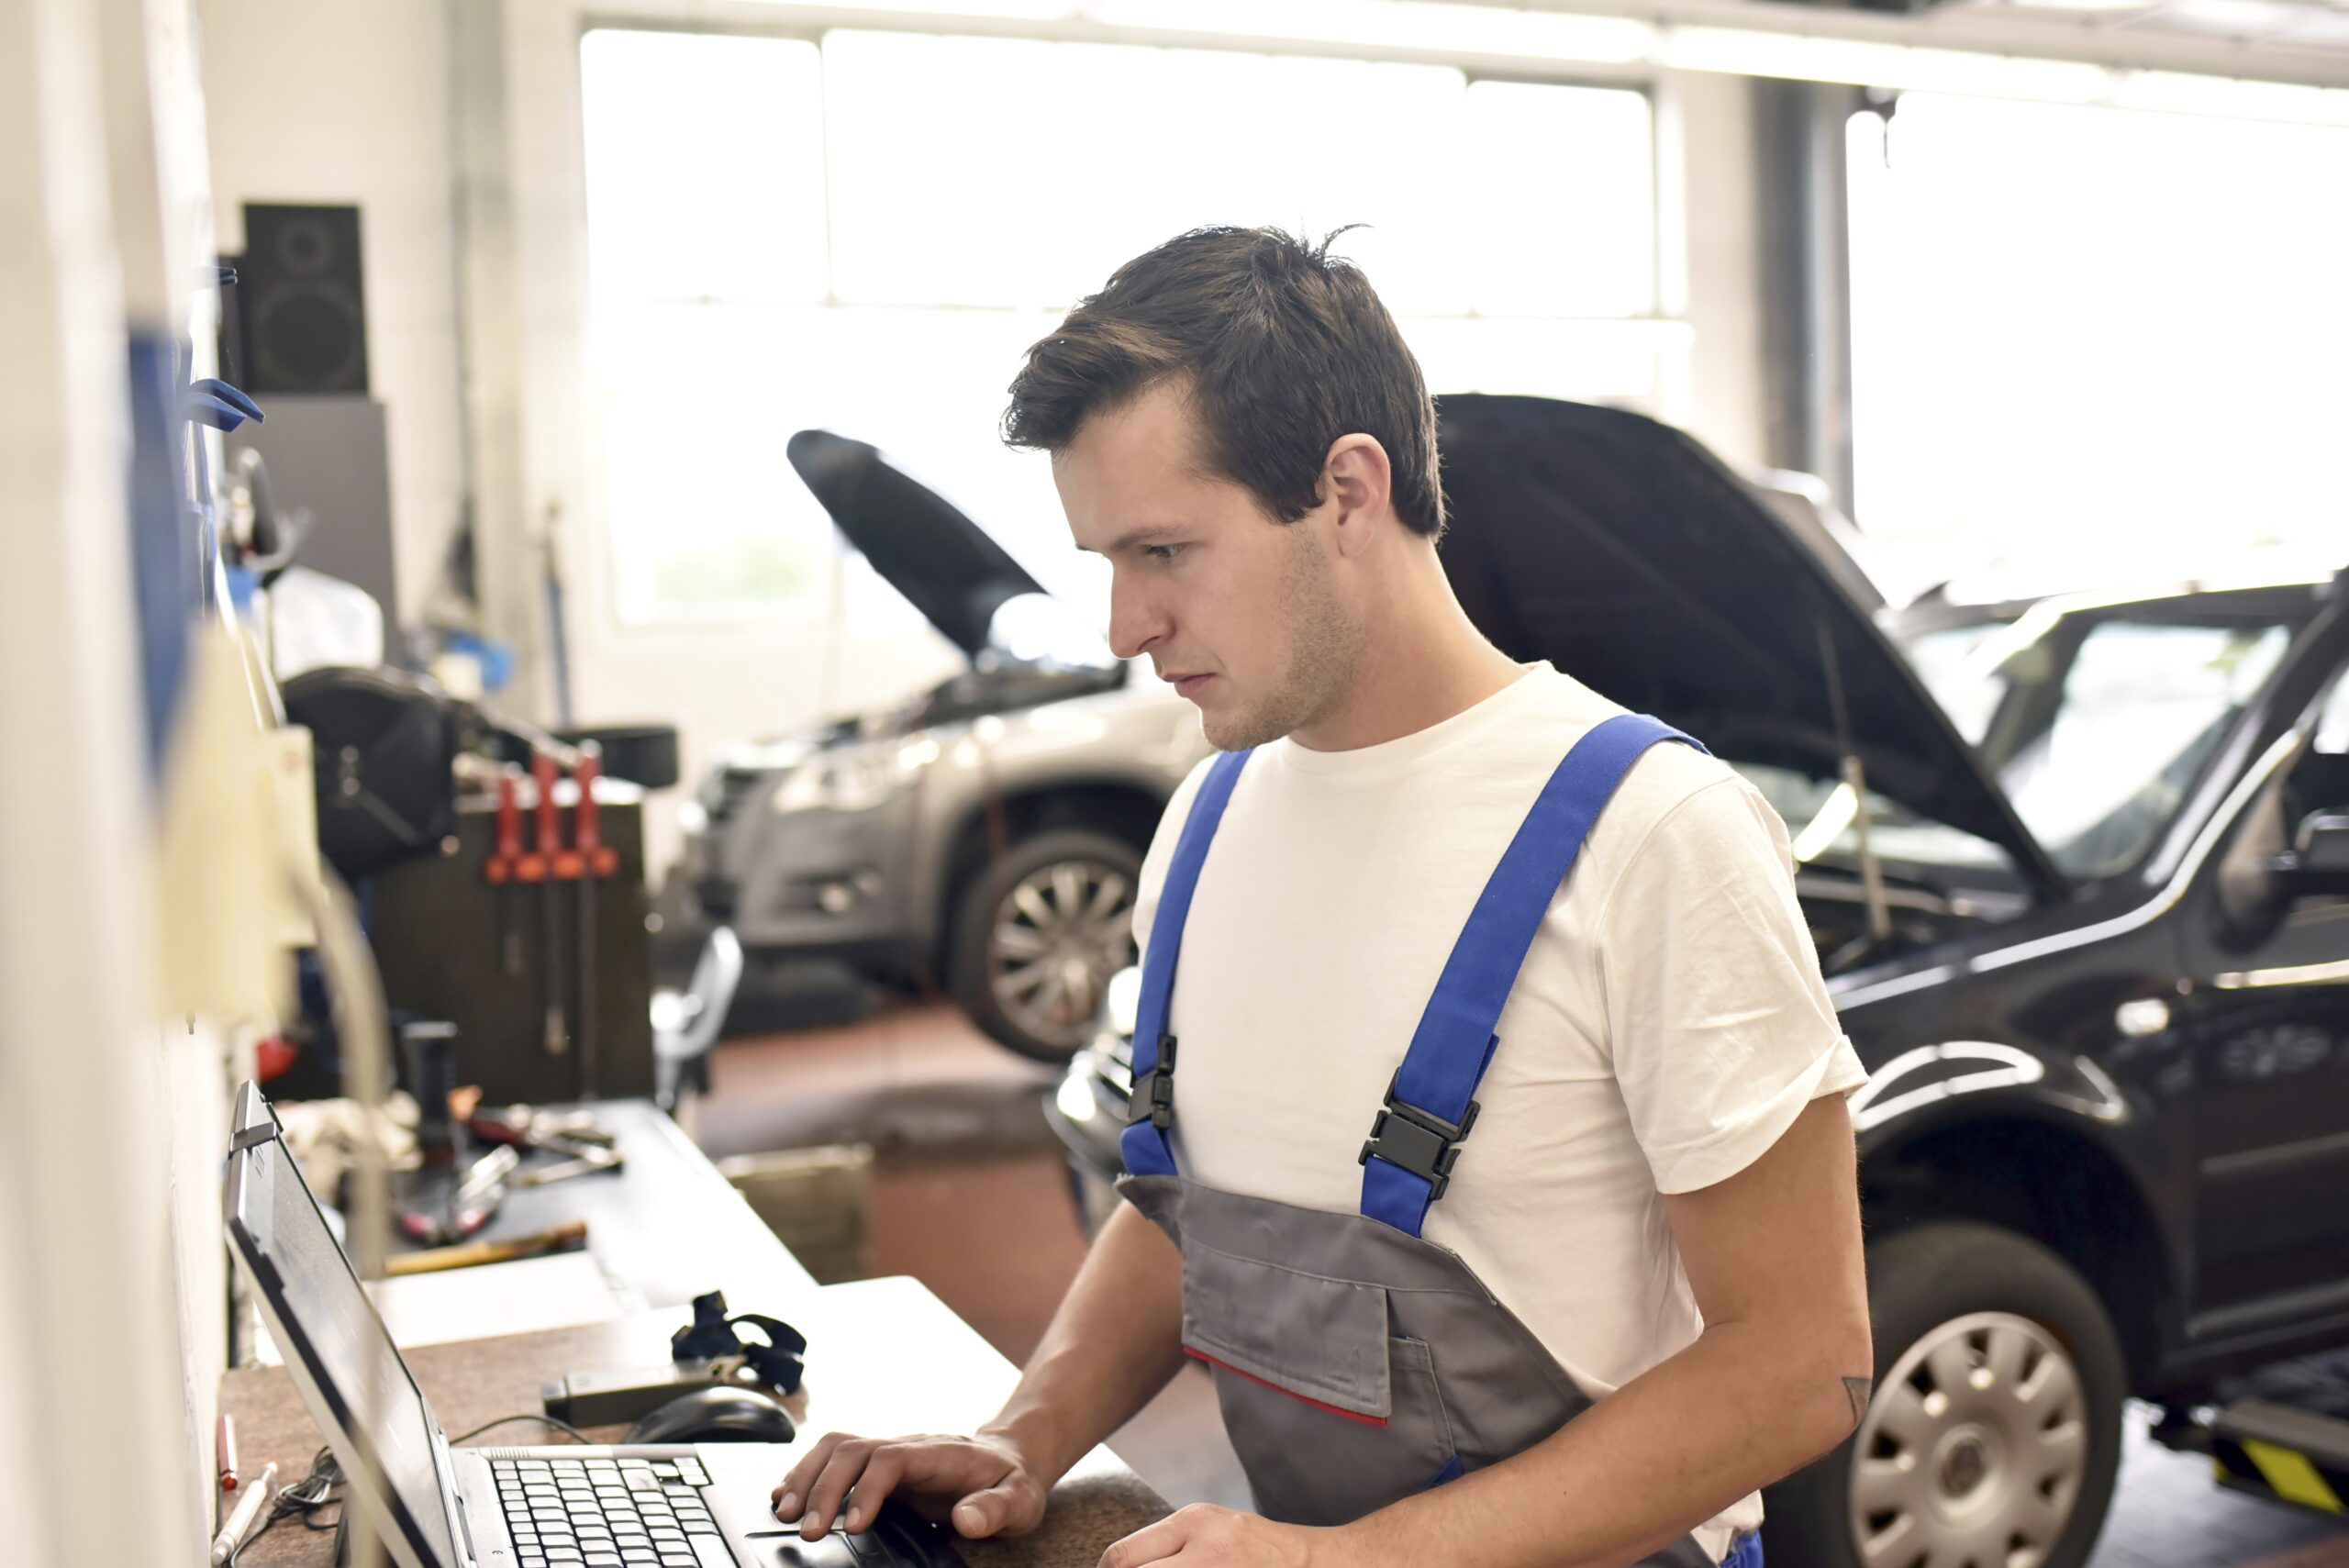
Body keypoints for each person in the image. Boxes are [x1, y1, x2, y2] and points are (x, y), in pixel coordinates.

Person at [773, 227, 1871, 1568]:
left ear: (1349, 489)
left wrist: (1358, 1556)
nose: (1124, 624)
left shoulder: (1655, 836)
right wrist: (1027, 1431)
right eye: (1104, 561)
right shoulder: (1206, 822)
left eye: (1166, 550)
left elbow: (1804, 1362)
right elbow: (1187, 1206)